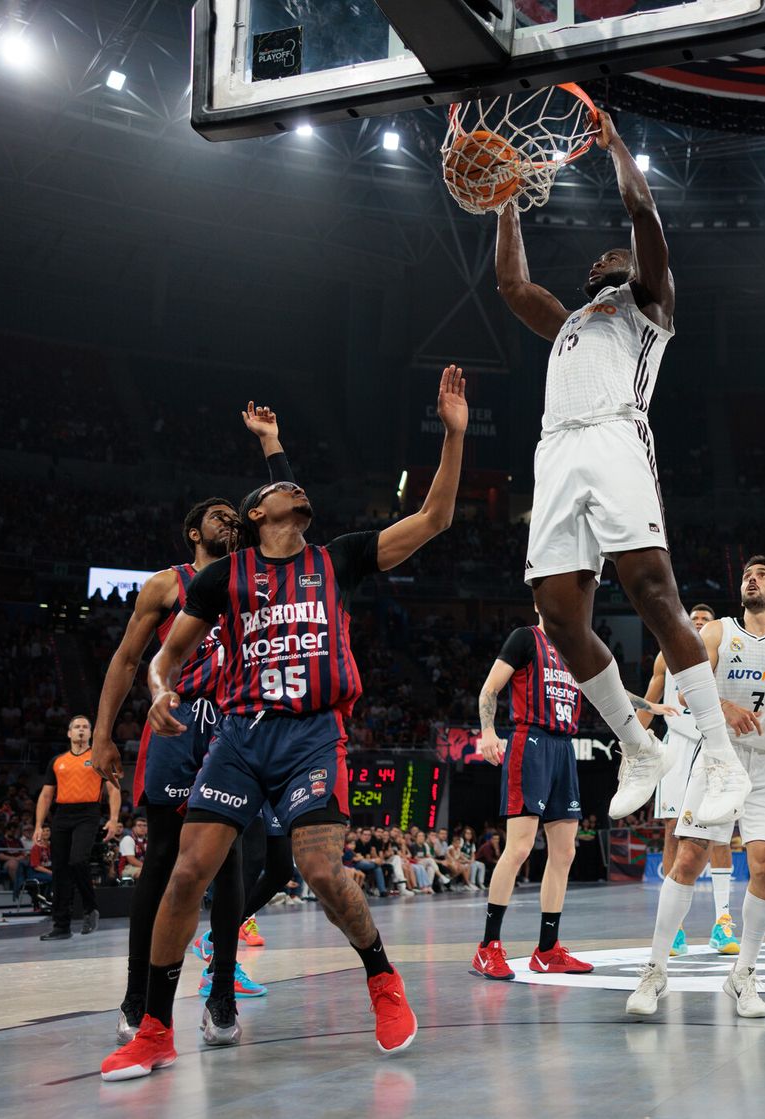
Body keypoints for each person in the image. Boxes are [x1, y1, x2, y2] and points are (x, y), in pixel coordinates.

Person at [100, 367, 468, 1080]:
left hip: (310, 736)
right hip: (239, 739)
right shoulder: (222, 577)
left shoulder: (340, 558)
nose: (298, 491)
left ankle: (383, 979)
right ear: (260, 514)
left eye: (298, 489)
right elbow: (166, 656)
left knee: (321, 870)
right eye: (283, 489)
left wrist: (452, 436)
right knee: (185, 875)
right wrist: (157, 690)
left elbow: (434, 519)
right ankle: (153, 1028)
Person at [494, 110, 750, 829]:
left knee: (650, 588)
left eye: (612, 260)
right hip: (555, 450)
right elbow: (513, 285)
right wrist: (507, 197)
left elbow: (642, 210)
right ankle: (639, 746)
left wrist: (613, 146)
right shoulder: (571, 321)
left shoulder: (648, 308)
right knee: (557, 614)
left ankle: (721, 757)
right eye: (593, 266)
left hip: (615, 437)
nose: (597, 267)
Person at [89, 412, 280, 1045]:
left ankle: (221, 995)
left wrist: (268, 448)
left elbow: (284, 515)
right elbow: (125, 659)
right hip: (175, 722)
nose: (230, 518)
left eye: (236, 513)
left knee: (227, 866)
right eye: (217, 514)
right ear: (192, 530)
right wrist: (101, 734)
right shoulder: (164, 585)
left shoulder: (251, 580)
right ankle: (136, 993)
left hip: (234, 726)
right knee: (164, 862)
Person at [628, 556, 765, 1020]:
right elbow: (685, 689)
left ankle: (743, 973)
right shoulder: (717, 632)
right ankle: (655, 969)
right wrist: (722, 705)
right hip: (719, 756)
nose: (752, 578)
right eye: (747, 574)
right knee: (688, 856)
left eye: (762, 575)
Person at [470, 612, 645, 979]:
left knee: (565, 852)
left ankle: (547, 950)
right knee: (518, 848)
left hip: (564, 748)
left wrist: (649, 705)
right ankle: (488, 947)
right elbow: (489, 688)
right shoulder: (524, 638)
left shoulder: (577, 651)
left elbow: (610, 692)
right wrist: (487, 730)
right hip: (530, 741)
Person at [644, 603, 740, 957]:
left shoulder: (726, 652)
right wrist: (634, 745)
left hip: (713, 742)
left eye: (705, 621)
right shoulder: (665, 655)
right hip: (678, 746)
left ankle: (723, 923)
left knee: (719, 832)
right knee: (672, 831)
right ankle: (676, 929)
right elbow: (649, 702)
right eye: (694, 620)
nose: (699, 624)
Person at [34, 715, 120, 940]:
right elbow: (46, 795)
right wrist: (38, 825)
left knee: (77, 860)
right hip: (62, 814)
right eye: (77, 727)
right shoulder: (57, 761)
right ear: (69, 733)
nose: (81, 730)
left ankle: (90, 907)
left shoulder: (99, 758)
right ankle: (61, 926)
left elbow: (113, 789)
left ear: (91, 733)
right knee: (60, 870)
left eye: (85, 727)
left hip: (88, 813)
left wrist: (113, 818)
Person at [118, 816, 147, 882]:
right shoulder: (128, 839)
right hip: (127, 868)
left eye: (145, 825)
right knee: (146, 873)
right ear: (133, 828)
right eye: (139, 825)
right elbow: (131, 860)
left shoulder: (148, 841)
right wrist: (148, 868)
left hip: (142, 867)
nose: (142, 828)